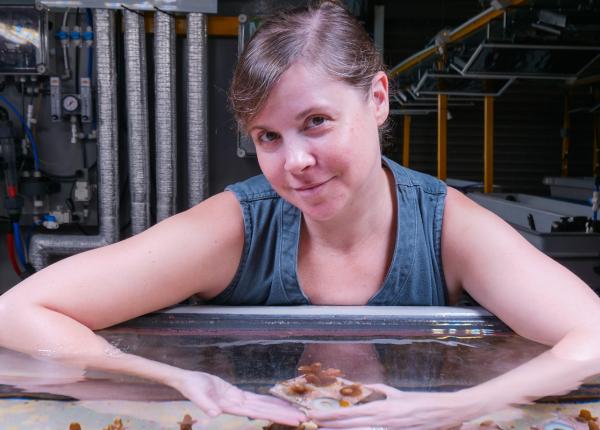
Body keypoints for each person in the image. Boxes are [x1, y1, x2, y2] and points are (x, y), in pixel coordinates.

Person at [1, 1, 600, 429]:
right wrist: (170, 378)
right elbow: (18, 314)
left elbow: (594, 336)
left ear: (377, 99)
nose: (296, 163)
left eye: (316, 121)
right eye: (267, 136)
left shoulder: (447, 225)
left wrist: (457, 405)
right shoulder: (235, 227)